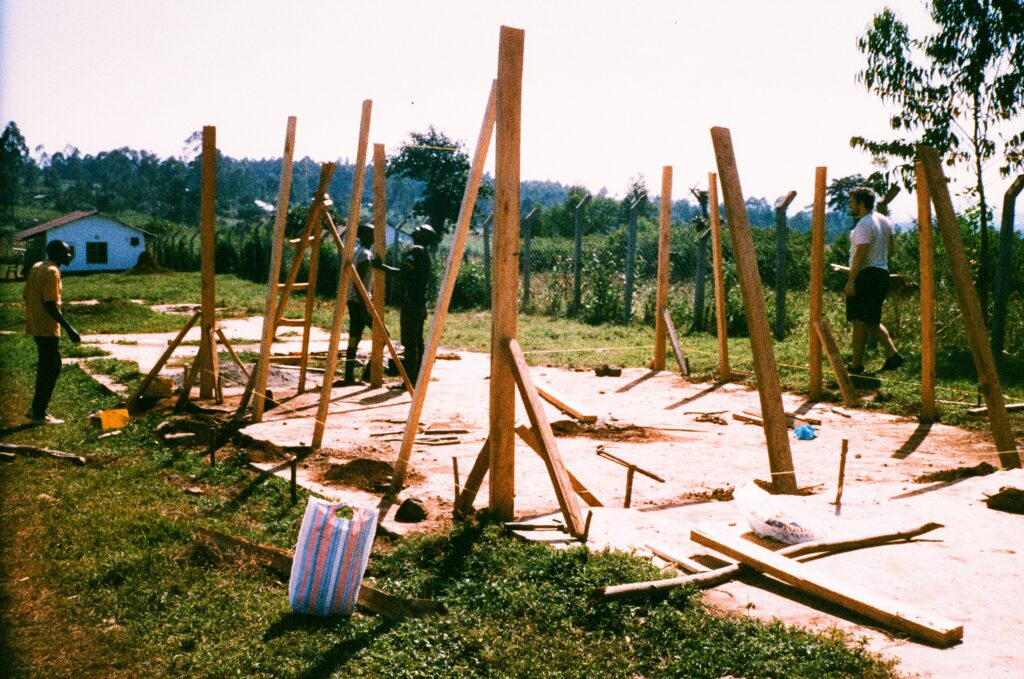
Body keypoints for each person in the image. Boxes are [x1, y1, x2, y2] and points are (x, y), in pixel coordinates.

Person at [844, 186, 903, 375]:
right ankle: (893, 356)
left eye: (852, 202)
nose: (850, 206)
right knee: (871, 320)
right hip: (882, 274)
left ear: (861, 204)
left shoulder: (863, 224)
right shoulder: (885, 221)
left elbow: (860, 254)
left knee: (859, 320)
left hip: (866, 275)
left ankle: (856, 365)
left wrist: (851, 281)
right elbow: (892, 249)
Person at [23, 239, 81, 424]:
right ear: (56, 253)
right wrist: (69, 328)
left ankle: (37, 409)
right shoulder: (52, 272)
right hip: (47, 328)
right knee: (49, 369)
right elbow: (50, 304)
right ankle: (39, 414)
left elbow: (26, 294)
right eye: (66, 252)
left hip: (35, 324)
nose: (69, 255)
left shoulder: (37, 266)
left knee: (52, 367)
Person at [372, 223, 435, 388]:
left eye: (419, 230)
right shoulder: (426, 254)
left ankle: (409, 380)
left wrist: (380, 267)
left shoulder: (415, 251)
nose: (415, 229)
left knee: (409, 342)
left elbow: (402, 273)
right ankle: (419, 378)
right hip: (420, 303)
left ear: (422, 237)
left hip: (411, 304)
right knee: (417, 342)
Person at [343, 224, 375, 385]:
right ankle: (368, 374)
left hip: (355, 301)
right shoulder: (365, 255)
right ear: (365, 236)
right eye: (372, 233)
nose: (375, 236)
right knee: (383, 336)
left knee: (355, 336)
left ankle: (348, 375)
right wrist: (365, 306)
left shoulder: (358, 251)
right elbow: (358, 282)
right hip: (359, 302)